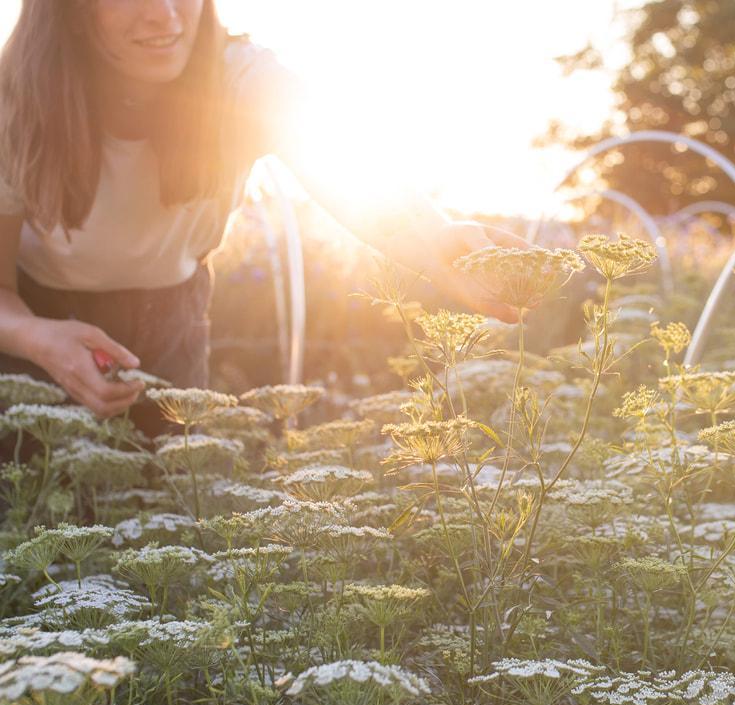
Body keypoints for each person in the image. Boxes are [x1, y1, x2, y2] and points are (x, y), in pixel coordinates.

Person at [0, 0, 526, 434]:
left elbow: (342, 154)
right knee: (27, 519)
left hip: (172, 322)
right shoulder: (14, 101)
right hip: (34, 323)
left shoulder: (241, 76)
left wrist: (436, 239)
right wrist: (38, 338)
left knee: (160, 515)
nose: (165, 14)